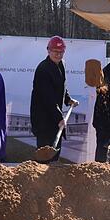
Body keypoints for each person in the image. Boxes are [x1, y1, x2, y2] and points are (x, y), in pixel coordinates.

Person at [30, 35, 79, 163]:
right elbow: (48, 98)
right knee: (44, 157)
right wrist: (59, 118)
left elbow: (62, 86)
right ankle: (41, 181)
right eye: (55, 52)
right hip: (43, 120)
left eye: (61, 52)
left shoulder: (61, 64)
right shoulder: (43, 69)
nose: (58, 55)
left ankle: (51, 180)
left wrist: (68, 99)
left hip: (54, 117)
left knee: (55, 155)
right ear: (48, 50)